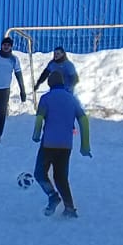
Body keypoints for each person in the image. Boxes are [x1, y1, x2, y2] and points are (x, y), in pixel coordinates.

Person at [30, 69, 91, 218]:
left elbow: (39, 118)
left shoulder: (46, 98)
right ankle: (70, 208)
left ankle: (52, 196)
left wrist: (36, 134)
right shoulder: (72, 99)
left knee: (39, 173)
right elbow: (83, 120)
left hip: (49, 143)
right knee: (61, 177)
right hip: (66, 145)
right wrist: (85, 145)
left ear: (49, 83)